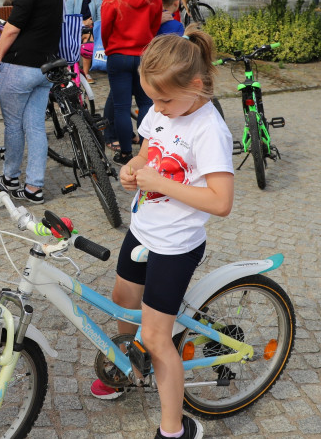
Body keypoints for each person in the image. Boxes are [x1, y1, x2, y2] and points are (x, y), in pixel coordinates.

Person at [90, 29, 233, 439]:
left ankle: (175, 428)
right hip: (143, 229)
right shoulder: (162, 110)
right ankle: (126, 368)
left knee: (155, 336)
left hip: (176, 245)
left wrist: (160, 182)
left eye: (165, 100)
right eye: (152, 99)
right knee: (122, 303)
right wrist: (132, 170)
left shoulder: (208, 128)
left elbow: (221, 202)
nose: (157, 109)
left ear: (196, 85)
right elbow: (146, 153)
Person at [0, 0, 63, 204]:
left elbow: (11, 29)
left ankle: (10, 177)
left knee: (13, 126)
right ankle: (34, 187)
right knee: (35, 127)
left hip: (19, 66)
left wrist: (0, 55)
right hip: (45, 68)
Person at [101, 0, 163, 165]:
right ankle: (146, 152)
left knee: (121, 106)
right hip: (144, 53)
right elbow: (155, 26)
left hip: (119, 54)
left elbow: (105, 29)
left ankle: (126, 152)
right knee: (146, 102)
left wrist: (111, 49)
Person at [65, 0, 102, 81]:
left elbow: (100, 18)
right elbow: (68, 17)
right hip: (73, 29)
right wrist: (83, 22)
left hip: (91, 29)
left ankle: (85, 73)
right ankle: (73, 71)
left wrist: (92, 24)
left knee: (88, 39)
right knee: (77, 39)